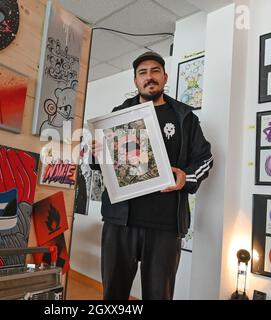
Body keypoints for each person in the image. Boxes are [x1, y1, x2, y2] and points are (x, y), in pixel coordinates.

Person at [89, 51, 213, 300]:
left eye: (155, 71)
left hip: (165, 227)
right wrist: (96, 154)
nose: (149, 77)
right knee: (113, 294)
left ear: (165, 77)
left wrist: (185, 177)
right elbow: (102, 166)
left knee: (160, 295)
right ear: (135, 81)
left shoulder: (185, 118)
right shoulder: (117, 115)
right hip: (120, 222)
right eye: (142, 73)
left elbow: (205, 159)